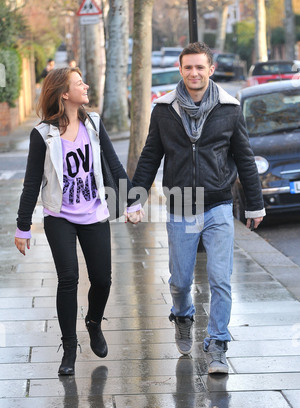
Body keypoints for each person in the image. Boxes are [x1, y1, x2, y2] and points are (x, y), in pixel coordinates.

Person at [129, 42, 265, 374]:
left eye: (200, 67)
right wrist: (134, 200)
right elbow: (150, 157)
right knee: (179, 281)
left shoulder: (229, 108)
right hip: (181, 208)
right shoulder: (164, 109)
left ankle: (218, 343)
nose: (194, 73)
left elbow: (245, 159)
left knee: (220, 279)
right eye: (188, 67)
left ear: (211, 70)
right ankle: (183, 315)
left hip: (218, 205)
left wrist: (254, 205)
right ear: (180, 69)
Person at [15, 67, 142, 376]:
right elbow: (31, 183)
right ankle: (69, 348)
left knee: (102, 279)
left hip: (94, 212)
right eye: (79, 83)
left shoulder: (94, 124)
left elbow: (113, 163)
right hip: (59, 216)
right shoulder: (42, 134)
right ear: (64, 94)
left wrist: (131, 202)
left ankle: (94, 323)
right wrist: (22, 226)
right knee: (68, 279)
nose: (85, 86)